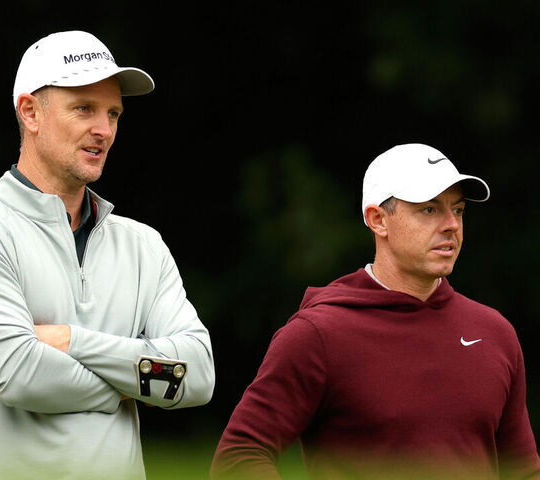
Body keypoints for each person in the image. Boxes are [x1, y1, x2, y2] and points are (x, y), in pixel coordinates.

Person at [0, 30, 215, 480]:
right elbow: (20, 375)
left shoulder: (142, 245)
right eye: (84, 108)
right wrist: (136, 385)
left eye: (113, 113)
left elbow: (198, 375)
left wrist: (70, 341)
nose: (104, 130)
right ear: (30, 112)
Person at [210, 143, 540, 479]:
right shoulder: (319, 334)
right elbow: (239, 457)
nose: (451, 225)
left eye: (458, 210)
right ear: (378, 220)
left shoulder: (494, 332)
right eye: (429, 209)